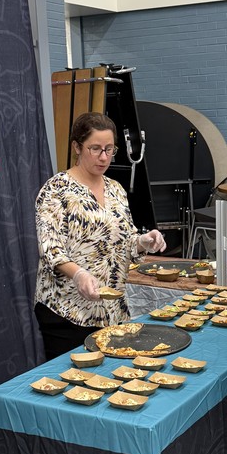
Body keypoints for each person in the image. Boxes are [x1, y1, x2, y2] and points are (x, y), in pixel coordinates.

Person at [34, 112, 166, 360]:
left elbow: (124, 240)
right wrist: (79, 274)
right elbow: (50, 247)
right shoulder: (56, 190)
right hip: (67, 312)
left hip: (112, 311)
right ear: (76, 146)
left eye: (109, 149)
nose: (104, 157)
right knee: (76, 386)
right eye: (95, 149)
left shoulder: (115, 189)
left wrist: (142, 241)